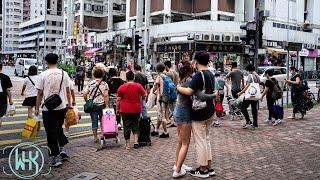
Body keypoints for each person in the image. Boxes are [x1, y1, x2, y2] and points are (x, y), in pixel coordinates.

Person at [177, 51, 217, 178]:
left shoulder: (199, 75)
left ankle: (203, 169)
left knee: (200, 141)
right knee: (206, 139)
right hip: (210, 110)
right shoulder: (210, 73)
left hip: (200, 112)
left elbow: (189, 91)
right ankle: (209, 167)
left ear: (196, 61)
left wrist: (177, 87)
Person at [35, 53, 72, 167]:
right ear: (57, 61)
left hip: (48, 108)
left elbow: (40, 93)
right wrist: (70, 104)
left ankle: (55, 157)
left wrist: (37, 108)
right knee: (58, 128)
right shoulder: (63, 73)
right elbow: (68, 91)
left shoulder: (43, 74)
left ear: (46, 61)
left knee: (51, 132)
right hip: (62, 106)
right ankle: (62, 149)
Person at [117, 71, 147, 149]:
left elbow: (118, 100)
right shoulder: (138, 86)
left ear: (126, 78)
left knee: (126, 126)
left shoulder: (121, 87)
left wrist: (117, 108)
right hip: (136, 108)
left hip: (124, 109)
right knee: (135, 124)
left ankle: (127, 144)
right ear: (134, 78)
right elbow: (145, 94)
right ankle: (136, 141)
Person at [83, 67, 109, 143]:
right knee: (102, 121)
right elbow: (106, 96)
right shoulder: (105, 84)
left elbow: (84, 93)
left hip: (93, 106)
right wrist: (107, 106)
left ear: (94, 75)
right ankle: (102, 135)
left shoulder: (90, 83)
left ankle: (95, 137)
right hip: (102, 105)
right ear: (102, 75)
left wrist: (87, 100)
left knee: (94, 121)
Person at [237, 64, 260, 129]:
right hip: (255, 94)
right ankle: (255, 124)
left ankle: (248, 121)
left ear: (249, 70)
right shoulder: (257, 75)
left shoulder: (250, 75)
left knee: (243, 107)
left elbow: (248, 86)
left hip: (250, 94)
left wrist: (241, 92)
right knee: (254, 109)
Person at [151, 63, 171, 138]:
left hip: (161, 98)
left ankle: (166, 132)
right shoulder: (166, 76)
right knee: (160, 114)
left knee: (162, 115)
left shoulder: (159, 77)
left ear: (157, 69)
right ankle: (156, 130)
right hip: (166, 97)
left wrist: (154, 91)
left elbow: (154, 88)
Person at [164, 60, 178, 127]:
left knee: (169, 108)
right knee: (174, 108)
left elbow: (168, 84)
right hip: (175, 91)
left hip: (170, 93)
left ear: (166, 66)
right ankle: (175, 121)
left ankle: (169, 120)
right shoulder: (175, 72)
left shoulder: (168, 73)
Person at [0, 63, 13, 127]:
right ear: (1, 68)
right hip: (2, 99)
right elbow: (8, 90)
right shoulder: (6, 77)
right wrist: (10, 100)